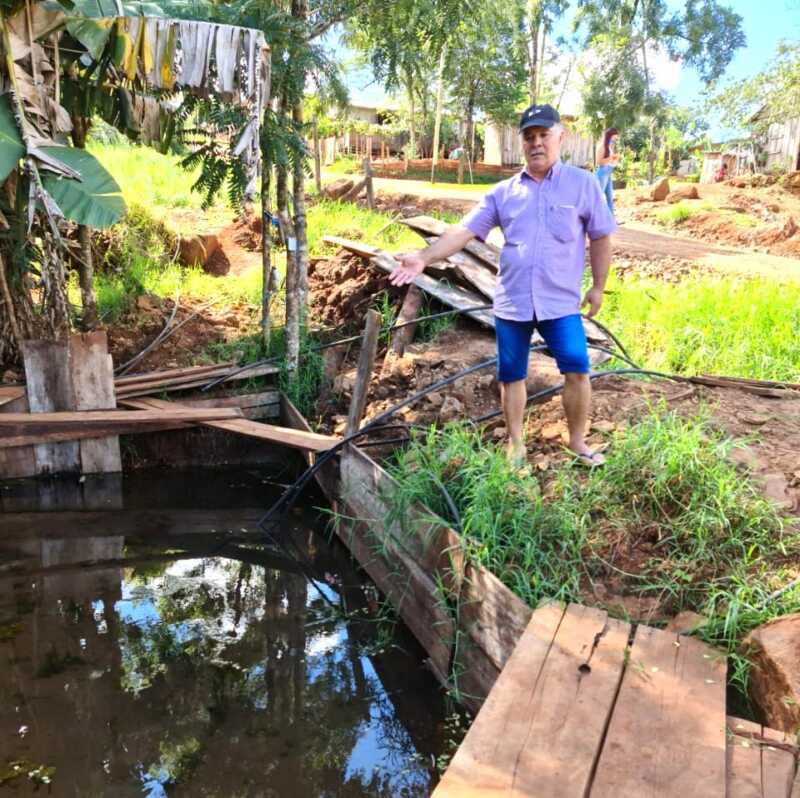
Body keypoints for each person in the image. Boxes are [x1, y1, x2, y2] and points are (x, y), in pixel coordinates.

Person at [390, 103, 616, 467]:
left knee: (577, 368)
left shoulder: (583, 184)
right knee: (512, 375)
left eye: (544, 135)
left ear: (561, 137)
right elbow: (463, 231)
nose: (536, 143)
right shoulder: (503, 193)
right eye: (529, 137)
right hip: (513, 302)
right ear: (522, 142)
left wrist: (598, 286)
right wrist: (424, 257)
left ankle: (577, 442)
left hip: (560, 303)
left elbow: (601, 236)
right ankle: (515, 444)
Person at [595, 127, 620, 217]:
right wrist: (611, 158)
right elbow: (599, 162)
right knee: (598, 197)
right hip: (602, 173)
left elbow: (609, 162)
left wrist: (615, 160)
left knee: (610, 197)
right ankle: (594, 218)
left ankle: (611, 219)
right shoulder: (602, 146)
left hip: (608, 173)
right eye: (615, 138)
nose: (615, 140)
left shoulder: (609, 147)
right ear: (610, 136)